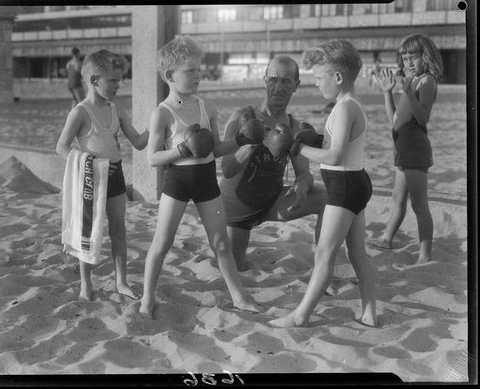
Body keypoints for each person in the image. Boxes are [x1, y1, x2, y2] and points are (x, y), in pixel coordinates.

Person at [139, 35, 263, 318]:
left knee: (221, 243)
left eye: (199, 69)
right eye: (190, 71)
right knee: (162, 243)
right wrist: (182, 149)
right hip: (178, 182)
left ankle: (239, 297)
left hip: (207, 180)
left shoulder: (208, 107)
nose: (198, 75)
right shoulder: (163, 113)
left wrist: (242, 139)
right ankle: (148, 298)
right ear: (171, 76)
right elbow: (151, 158)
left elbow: (217, 148)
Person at [269, 39, 377, 328]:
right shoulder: (350, 104)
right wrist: (313, 138)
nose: (316, 84)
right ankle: (369, 312)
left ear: (338, 77)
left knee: (324, 253)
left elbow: (335, 154)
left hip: (344, 185)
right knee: (356, 252)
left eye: (319, 78)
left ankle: (300, 315)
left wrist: (296, 146)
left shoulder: (344, 109)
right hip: (356, 182)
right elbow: (339, 144)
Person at [56, 49, 149, 301]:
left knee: (119, 230)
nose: (118, 85)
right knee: (89, 231)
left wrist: (158, 122)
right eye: (113, 80)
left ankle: (121, 282)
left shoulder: (116, 111)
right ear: (95, 81)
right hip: (90, 178)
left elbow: (139, 142)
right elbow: (62, 147)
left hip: (116, 175)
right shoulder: (80, 112)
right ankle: (86, 284)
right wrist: (90, 163)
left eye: (120, 79)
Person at [219, 55, 326, 271]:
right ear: (264, 80)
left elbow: (304, 173)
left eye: (286, 81)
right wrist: (251, 143)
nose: (278, 87)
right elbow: (227, 169)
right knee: (235, 268)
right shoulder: (242, 117)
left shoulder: (294, 127)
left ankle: (322, 267)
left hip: (273, 201)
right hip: (238, 206)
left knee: (328, 198)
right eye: (273, 79)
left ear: (296, 85)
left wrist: (302, 186)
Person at [369, 34, 444, 265]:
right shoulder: (410, 81)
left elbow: (422, 118)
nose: (409, 62)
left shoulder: (426, 81)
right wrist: (387, 92)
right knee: (396, 197)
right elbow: (394, 119)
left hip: (415, 149)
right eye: (405, 57)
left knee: (419, 204)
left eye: (414, 57)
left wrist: (409, 93)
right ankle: (386, 238)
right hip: (402, 148)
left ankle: (425, 255)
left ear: (426, 56)